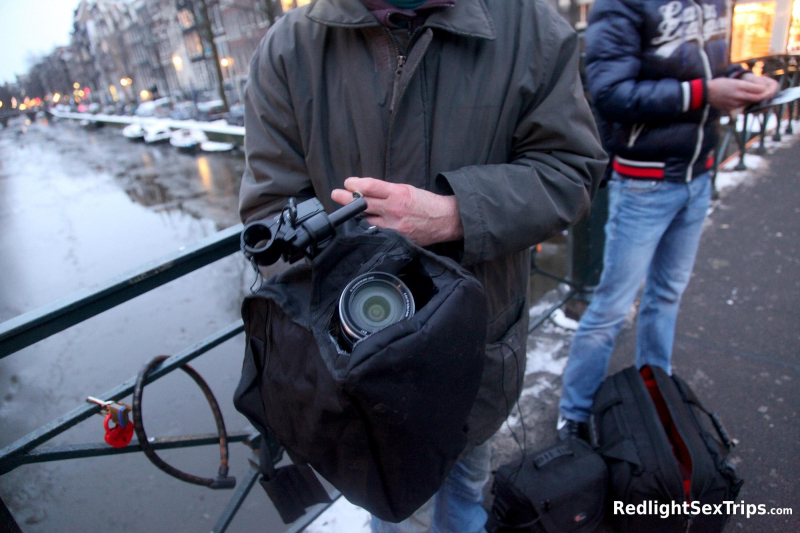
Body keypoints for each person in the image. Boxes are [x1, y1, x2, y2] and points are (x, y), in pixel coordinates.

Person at [239, 0, 607, 530]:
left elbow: (572, 172)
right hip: (357, 372)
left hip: (473, 355)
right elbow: (268, 212)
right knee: (386, 507)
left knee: (463, 488)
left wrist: (456, 213)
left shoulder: (533, 28)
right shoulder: (288, 48)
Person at [557, 0, 779, 440]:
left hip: (697, 173)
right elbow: (610, 92)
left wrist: (740, 79)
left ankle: (655, 398)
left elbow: (702, 65)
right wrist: (704, 94)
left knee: (667, 296)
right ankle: (573, 415)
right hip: (644, 182)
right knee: (611, 307)